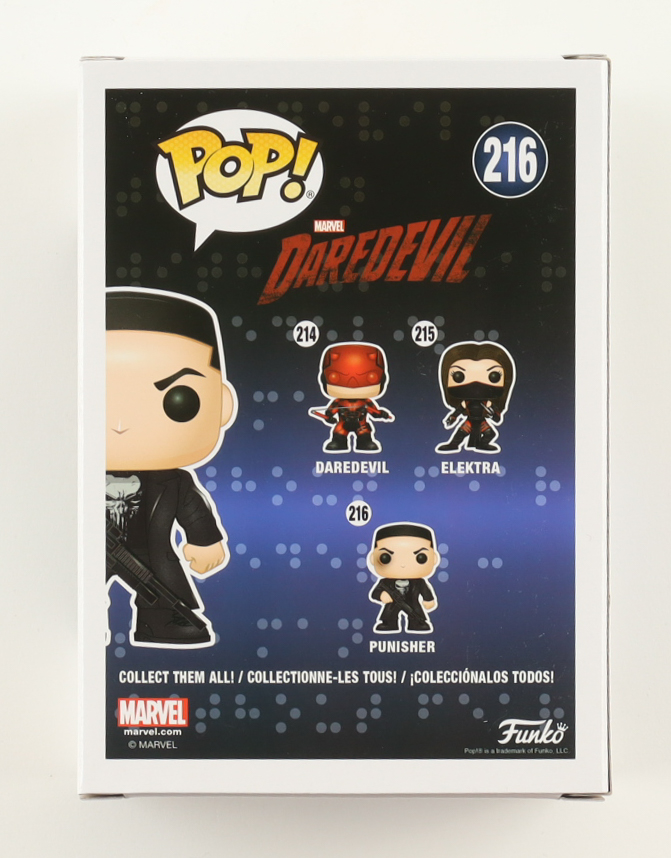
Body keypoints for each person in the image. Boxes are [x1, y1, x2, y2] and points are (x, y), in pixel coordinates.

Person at [106, 287, 237, 647]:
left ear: (222, 405)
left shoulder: (172, 481)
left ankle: (162, 622)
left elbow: (192, 508)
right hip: (87, 550)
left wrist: (204, 540)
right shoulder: (69, 479)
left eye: (178, 400)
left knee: (162, 593)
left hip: (150, 553)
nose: (120, 425)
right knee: (70, 592)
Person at [309, 342, 394, 453]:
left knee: (365, 434)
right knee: (339, 434)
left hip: (361, 424)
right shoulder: (339, 401)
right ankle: (339, 442)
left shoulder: (365, 402)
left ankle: (364, 442)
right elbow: (330, 412)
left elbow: (374, 413)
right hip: (343, 424)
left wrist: (382, 414)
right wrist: (328, 417)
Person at [435, 340, 515, 454]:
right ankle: (453, 444)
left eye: (494, 376)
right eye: (458, 376)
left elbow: (496, 415)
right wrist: (452, 418)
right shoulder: (466, 403)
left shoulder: (487, 403)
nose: (476, 385)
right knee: (460, 433)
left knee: (490, 434)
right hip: (471, 420)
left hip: (481, 421)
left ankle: (482, 444)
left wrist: (494, 415)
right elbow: (458, 411)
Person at [368, 522, 439, 634]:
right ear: (373, 558)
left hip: (412, 604)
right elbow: (375, 593)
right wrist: (381, 595)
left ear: (434, 559)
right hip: (392, 603)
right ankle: (389, 623)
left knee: (416, 613)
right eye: (386, 557)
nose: (403, 564)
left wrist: (428, 599)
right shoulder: (385, 582)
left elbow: (425, 591)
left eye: (421, 557)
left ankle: (417, 623)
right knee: (389, 613)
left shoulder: (419, 582)